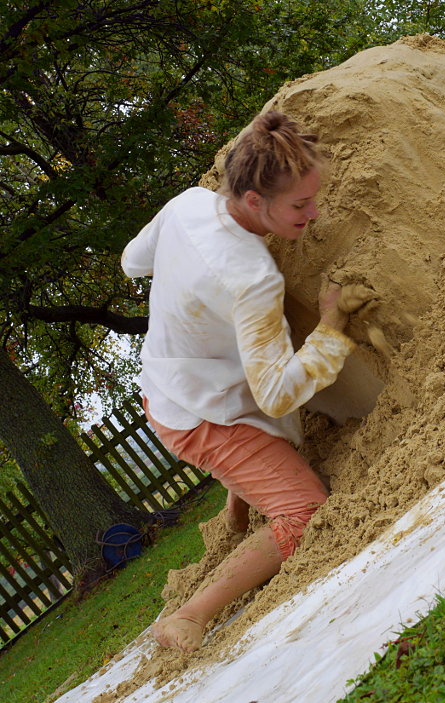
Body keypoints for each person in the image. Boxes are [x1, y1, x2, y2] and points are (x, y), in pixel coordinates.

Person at [121, 110, 355, 652]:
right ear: (255, 201)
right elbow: (276, 392)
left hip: (167, 381)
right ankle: (190, 615)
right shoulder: (250, 278)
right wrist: (333, 328)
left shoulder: (186, 205)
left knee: (263, 422)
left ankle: (238, 497)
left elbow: (133, 261)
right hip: (201, 416)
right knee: (304, 513)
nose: (313, 214)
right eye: (300, 205)